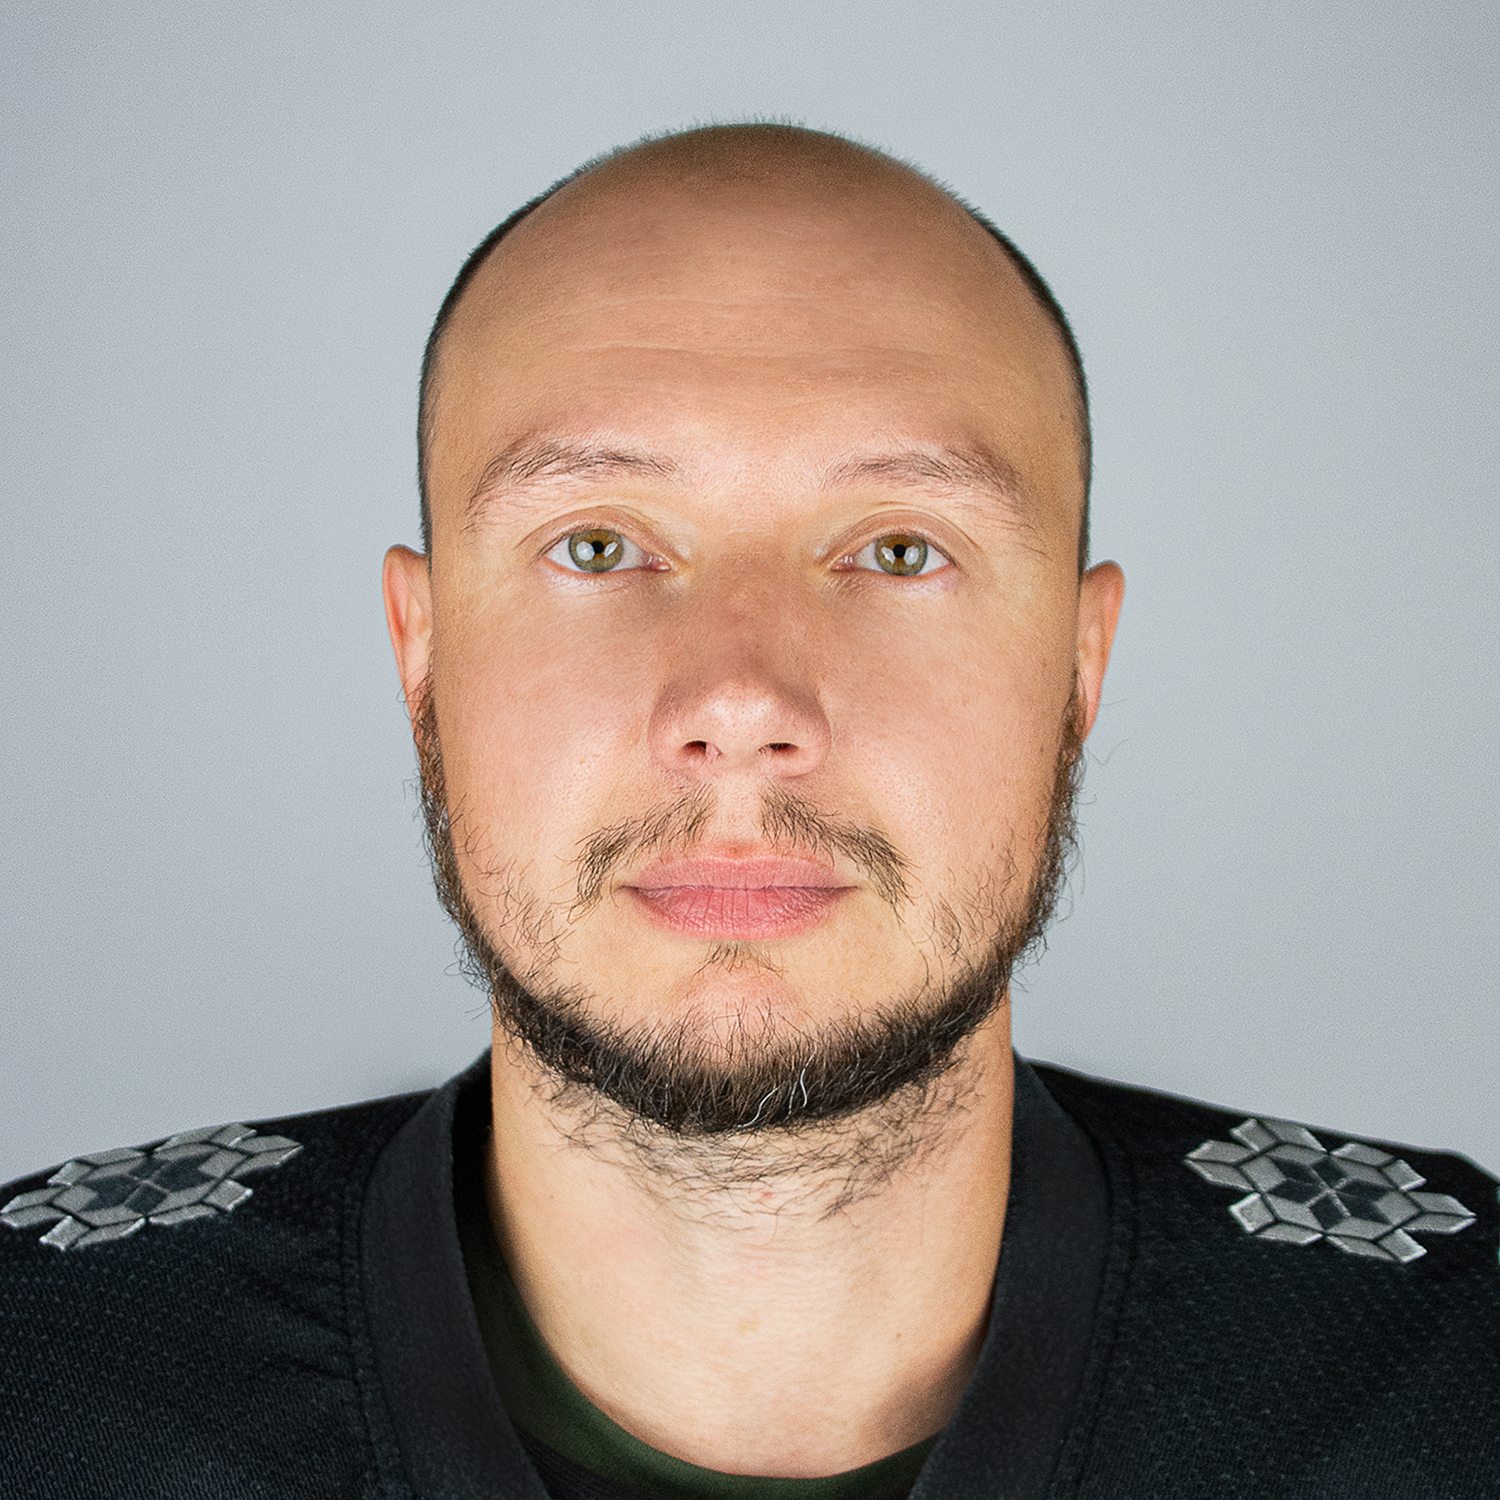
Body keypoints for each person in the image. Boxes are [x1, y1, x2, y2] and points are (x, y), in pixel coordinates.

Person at [2, 124, 1496, 1499]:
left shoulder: (1453, 1370)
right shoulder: (44, 1369)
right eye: (598, 544)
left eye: (900, 550)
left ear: (1077, 667)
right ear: (424, 653)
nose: (739, 700)